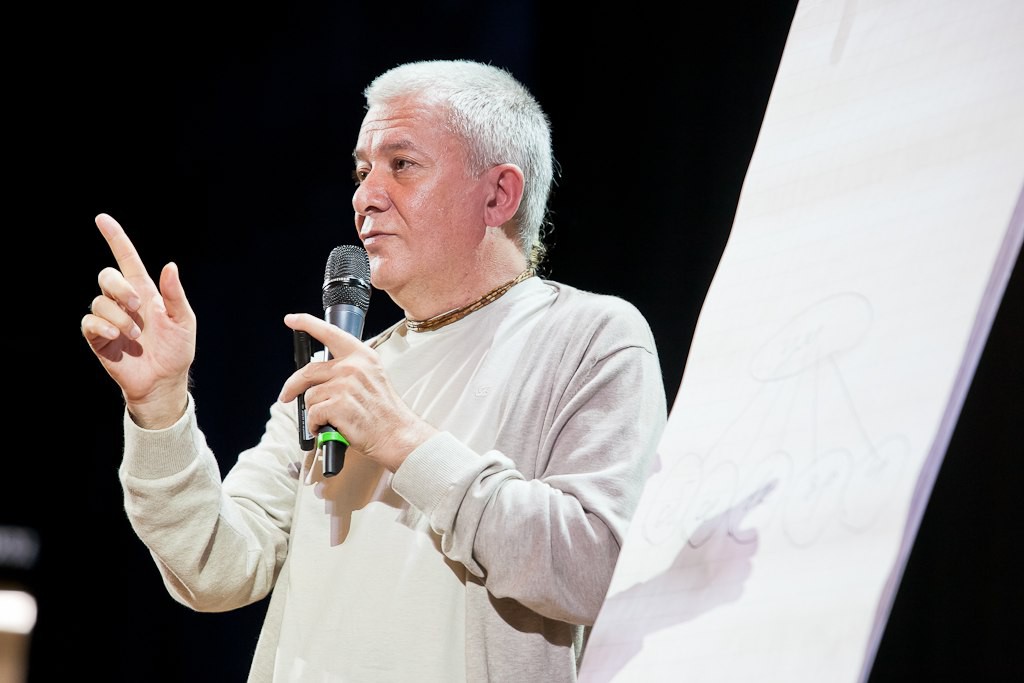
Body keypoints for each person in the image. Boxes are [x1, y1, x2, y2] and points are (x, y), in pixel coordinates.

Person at [81, 58, 668, 682]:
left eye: (402, 164)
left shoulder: (589, 336)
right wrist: (162, 407)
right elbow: (217, 567)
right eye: (362, 171)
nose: (365, 197)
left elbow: (598, 570)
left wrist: (402, 440)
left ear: (498, 195)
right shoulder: (344, 369)